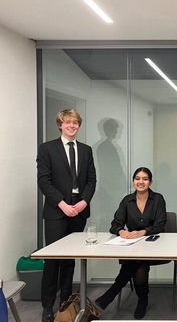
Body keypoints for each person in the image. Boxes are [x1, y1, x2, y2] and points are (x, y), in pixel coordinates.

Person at [37, 109, 97, 322]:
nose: (72, 126)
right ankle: (47, 307)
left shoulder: (86, 150)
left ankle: (66, 302)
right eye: (68, 122)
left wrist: (83, 202)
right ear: (60, 125)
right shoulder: (47, 149)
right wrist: (62, 204)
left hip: (79, 211)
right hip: (56, 211)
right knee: (53, 260)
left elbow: (91, 180)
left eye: (76, 123)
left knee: (70, 260)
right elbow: (44, 182)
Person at [95, 167, 167, 319]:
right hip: (132, 247)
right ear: (133, 181)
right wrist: (121, 231)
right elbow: (115, 223)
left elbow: (160, 225)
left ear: (150, 182)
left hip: (154, 246)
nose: (141, 182)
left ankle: (111, 293)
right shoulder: (127, 200)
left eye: (145, 179)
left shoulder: (158, 199)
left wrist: (142, 232)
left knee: (137, 261)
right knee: (138, 264)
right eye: (137, 178)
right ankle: (143, 298)